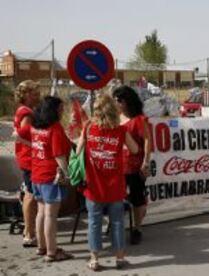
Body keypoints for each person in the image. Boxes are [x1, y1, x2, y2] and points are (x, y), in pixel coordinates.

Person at [76, 94, 138, 271]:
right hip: (115, 185)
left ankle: (94, 259)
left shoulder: (88, 127)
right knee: (117, 222)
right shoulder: (120, 130)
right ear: (113, 110)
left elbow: (79, 149)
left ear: (96, 110)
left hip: (93, 185)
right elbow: (134, 149)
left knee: (94, 222)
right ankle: (119, 258)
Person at [31, 96, 72, 262]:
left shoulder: (36, 127)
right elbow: (59, 155)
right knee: (50, 216)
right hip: (51, 177)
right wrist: (67, 174)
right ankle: (52, 252)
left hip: (37, 175)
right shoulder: (55, 129)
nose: (62, 112)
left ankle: (42, 247)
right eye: (60, 109)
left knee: (41, 213)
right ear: (53, 111)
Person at [112, 85, 151, 244]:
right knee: (117, 198)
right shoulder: (114, 118)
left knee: (137, 199)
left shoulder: (139, 120)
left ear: (126, 102)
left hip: (134, 166)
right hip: (115, 166)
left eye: (118, 101)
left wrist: (146, 162)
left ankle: (137, 228)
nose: (115, 104)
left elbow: (148, 140)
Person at [13, 80, 40, 247]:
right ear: (26, 95)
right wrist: (37, 144)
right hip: (29, 158)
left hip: (25, 157)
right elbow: (21, 135)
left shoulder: (22, 110)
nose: (37, 96)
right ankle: (29, 234)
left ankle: (28, 231)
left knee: (29, 193)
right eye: (34, 93)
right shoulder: (27, 113)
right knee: (31, 195)